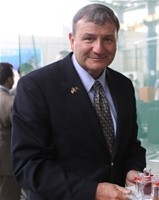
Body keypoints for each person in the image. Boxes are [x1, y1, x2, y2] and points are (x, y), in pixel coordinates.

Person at [12, 4, 146, 200]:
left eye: (107, 39)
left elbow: (131, 145)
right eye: (89, 38)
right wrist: (93, 191)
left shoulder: (123, 86)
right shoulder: (36, 86)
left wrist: (132, 170)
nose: (99, 48)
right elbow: (28, 165)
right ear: (72, 40)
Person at [0, 62, 21, 200]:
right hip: (6, 161)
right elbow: (23, 130)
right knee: (9, 195)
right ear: (8, 79)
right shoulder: (9, 102)